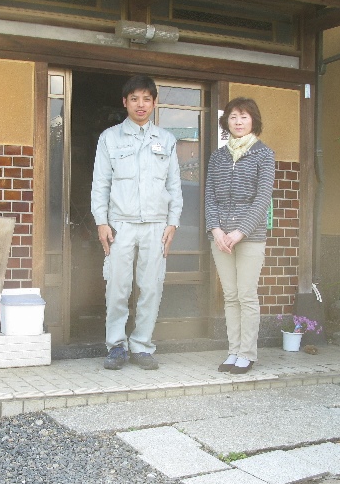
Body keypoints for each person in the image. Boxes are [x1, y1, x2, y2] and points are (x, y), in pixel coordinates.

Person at [91, 75, 183, 371]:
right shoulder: (110, 138)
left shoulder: (166, 140)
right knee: (117, 288)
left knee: (151, 288)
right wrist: (101, 222)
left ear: (154, 103)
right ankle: (116, 346)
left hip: (157, 225)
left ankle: (142, 345)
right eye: (134, 99)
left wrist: (173, 222)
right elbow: (100, 184)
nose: (140, 104)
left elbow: (174, 185)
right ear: (125, 102)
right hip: (120, 225)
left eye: (146, 99)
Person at [205, 97, 275, 374]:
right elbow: (210, 196)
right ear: (227, 121)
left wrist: (240, 231)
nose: (238, 121)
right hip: (220, 238)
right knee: (230, 296)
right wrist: (216, 230)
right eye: (233, 116)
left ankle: (247, 353)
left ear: (253, 120)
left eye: (244, 116)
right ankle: (233, 351)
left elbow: (262, 198)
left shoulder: (264, 154)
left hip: (250, 237)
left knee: (246, 295)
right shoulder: (218, 156)